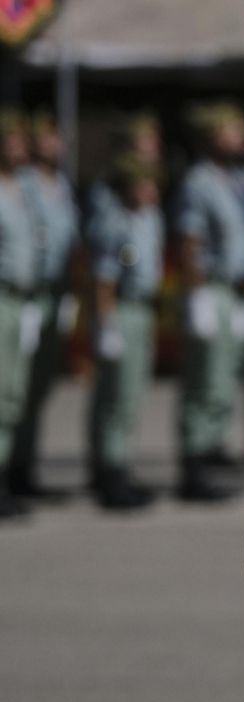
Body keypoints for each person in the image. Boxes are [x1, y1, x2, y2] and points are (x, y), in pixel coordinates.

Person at [173, 102, 244, 501]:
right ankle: (193, 464)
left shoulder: (238, 180)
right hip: (210, 288)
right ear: (211, 136)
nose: (242, 137)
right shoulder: (199, 181)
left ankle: (210, 452)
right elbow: (189, 242)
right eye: (232, 130)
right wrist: (197, 296)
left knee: (225, 379)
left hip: (235, 290)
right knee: (204, 380)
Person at [8, 111, 80, 501]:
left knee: (37, 387)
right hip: (25, 294)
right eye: (48, 136)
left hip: (53, 293)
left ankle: (24, 466)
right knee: (11, 387)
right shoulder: (24, 184)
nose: (56, 144)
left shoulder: (61, 186)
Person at [85, 156, 165, 510]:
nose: (151, 190)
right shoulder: (112, 221)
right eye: (143, 183)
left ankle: (118, 465)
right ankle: (109, 471)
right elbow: (103, 279)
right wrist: (107, 326)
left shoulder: (148, 218)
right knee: (116, 397)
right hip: (121, 309)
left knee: (131, 394)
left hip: (142, 308)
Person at [0, 110, 40, 520]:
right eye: (11, 140)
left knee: (13, 394)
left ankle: (9, 474)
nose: (20, 147)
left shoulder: (23, 189)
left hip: (20, 300)